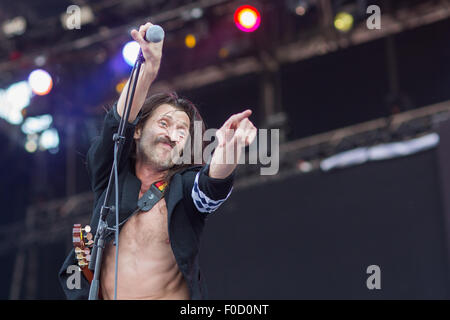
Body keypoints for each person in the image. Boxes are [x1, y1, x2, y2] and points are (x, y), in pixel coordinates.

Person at [58, 22, 257, 300]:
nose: (173, 135)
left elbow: (211, 185)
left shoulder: (184, 190)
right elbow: (115, 125)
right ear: (138, 131)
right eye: (164, 123)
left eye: (182, 131)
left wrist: (229, 147)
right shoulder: (111, 176)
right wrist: (147, 70)